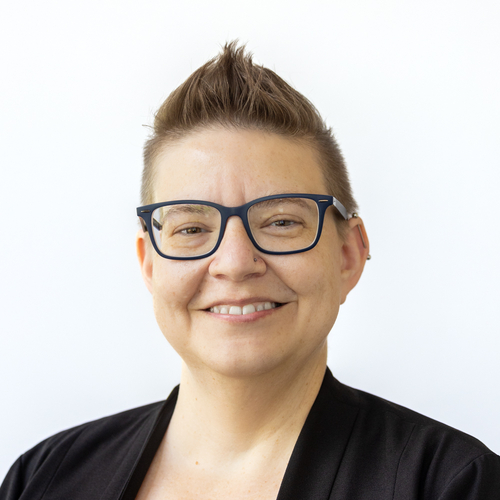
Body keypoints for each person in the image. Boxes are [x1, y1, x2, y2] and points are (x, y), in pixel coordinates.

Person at [1, 42, 499, 500]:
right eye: (192, 228)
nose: (236, 263)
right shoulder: (44, 480)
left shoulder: (453, 484)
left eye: (281, 222)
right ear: (149, 264)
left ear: (349, 255)